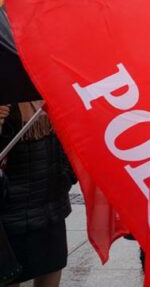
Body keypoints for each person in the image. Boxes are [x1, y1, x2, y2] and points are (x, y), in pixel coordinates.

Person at [0, 102, 76, 286]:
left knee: (52, 268)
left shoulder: (49, 90)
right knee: (10, 276)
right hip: (11, 214)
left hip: (51, 207)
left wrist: (67, 175)